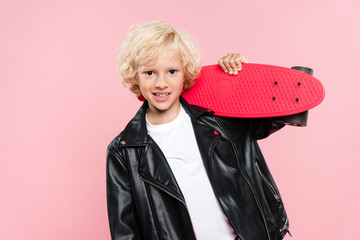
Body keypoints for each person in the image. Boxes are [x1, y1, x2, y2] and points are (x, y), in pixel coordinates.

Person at [107, 20, 294, 240]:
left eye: (172, 71)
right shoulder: (124, 150)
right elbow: (124, 232)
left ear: (185, 73)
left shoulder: (218, 117)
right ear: (135, 77)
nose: (161, 83)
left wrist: (244, 78)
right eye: (149, 73)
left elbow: (274, 119)